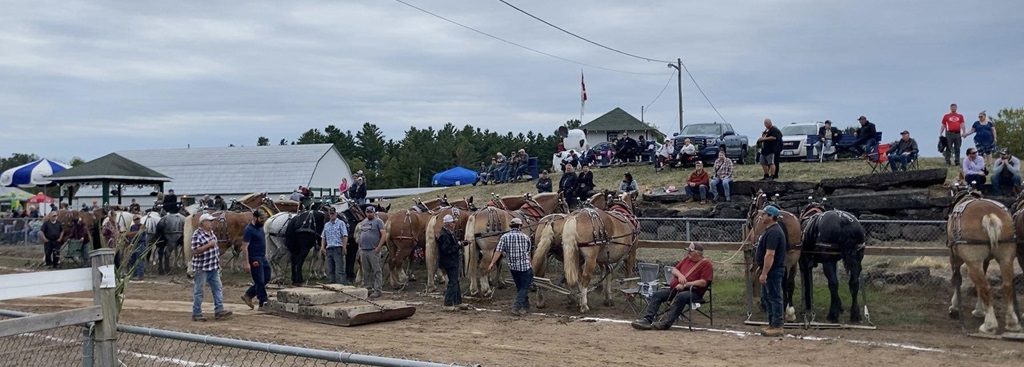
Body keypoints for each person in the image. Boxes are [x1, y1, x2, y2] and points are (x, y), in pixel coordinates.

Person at [631, 242, 714, 330]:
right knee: (657, 295)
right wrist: (680, 275)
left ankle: (666, 323)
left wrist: (685, 284)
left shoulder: (706, 264)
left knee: (681, 296)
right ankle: (647, 320)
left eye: (690, 251)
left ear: (697, 253)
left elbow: (703, 282)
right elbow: (674, 270)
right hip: (676, 289)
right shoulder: (686, 259)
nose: (688, 252)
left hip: (693, 292)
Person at [190, 213, 232, 321]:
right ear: (203, 222)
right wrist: (209, 245)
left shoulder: (211, 233)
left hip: (213, 267)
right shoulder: (197, 234)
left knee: (217, 288)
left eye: (212, 221)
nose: (212, 223)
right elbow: (195, 251)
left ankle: (219, 310)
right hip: (201, 268)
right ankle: (196, 313)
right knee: (199, 290)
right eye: (210, 221)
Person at [487, 218, 533, 316]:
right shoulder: (526, 237)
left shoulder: (504, 237)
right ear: (520, 226)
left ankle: (526, 306)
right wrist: (530, 263)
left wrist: (492, 263)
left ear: (510, 226)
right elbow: (528, 253)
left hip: (513, 267)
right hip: (525, 267)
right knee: (524, 288)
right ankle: (516, 307)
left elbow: (498, 251)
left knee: (520, 287)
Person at [756, 205, 787, 337]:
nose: (761, 216)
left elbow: (770, 254)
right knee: (767, 297)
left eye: (764, 214)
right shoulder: (770, 230)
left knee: (774, 297)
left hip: (773, 271)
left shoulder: (774, 232)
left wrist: (764, 273)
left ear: (771, 217)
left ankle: (777, 325)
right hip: (770, 270)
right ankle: (771, 323)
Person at [437, 214, 471, 311]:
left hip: (452, 261)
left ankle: (458, 302)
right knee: (452, 282)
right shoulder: (444, 235)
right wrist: (459, 245)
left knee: (455, 281)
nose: (454, 224)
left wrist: (463, 243)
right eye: (453, 222)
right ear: (448, 224)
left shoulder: (447, 233)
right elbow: (447, 249)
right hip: (449, 262)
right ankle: (447, 303)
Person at [241, 210, 270, 309]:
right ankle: (263, 302)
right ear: (255, 218)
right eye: (261, 219)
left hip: (262, 257)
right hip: (254, 258)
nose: (263, 221)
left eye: (264, 219)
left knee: (267, 277)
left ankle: (248, 295)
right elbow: (244, 247)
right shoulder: (249, 230)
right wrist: (246, 262)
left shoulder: (260, 228)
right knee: (260, 280)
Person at [356, 206, 386, 298]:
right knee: (366, 271)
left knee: (376, 270)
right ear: (366, 213)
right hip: (364, 249)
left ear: (374, 213)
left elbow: (383, 235)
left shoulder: (378, 221)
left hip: (373, 249)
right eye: (368, 212)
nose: (369, 214)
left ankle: (378, 289)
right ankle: (368, 288)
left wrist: (378, 247)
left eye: (371, 212)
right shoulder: (364, 222)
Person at [320, 207, 349, 285]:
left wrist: (344, 247)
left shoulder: (341, 223)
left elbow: (344, 235)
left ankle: (343, 284)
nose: (332, 215)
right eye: (330, 214)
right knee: (330, 269)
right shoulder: (326, 225)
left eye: (333, 213)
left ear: (336, 214)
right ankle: (332, 284)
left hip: (337, 248)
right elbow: (323, 236)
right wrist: (322, 247)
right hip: (329, 248)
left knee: (340, 269)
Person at [126, 215, 147, 280]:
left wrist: (131, 234)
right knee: (132, 260)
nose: (137, 220)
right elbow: (128, 234)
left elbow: (138, 233)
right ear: (134, 220)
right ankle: (133, 274)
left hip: (140, 244)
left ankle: (140, 275)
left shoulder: (143, 225)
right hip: (133, 244)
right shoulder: (132, 226)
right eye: (136, 219)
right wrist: (134, 233)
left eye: (138, 219)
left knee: (140, 259)